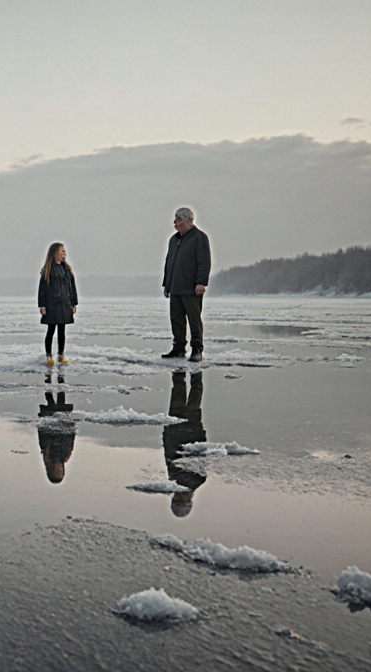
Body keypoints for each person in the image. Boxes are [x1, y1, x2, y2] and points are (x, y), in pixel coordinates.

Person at [161, 207, 211, 362]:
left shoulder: (199, 237)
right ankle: (178, 349)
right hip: (175, 288)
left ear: (188, 221)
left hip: (191, 289)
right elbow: (169, 262)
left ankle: (197, 350)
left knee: (194, 320)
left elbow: (204, 262)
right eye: (175, 220)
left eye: (178, 220)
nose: (175, 223)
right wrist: (167, 284)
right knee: (176, 320)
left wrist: (201, 282)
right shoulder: (173, 240)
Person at [162, 370, 207, 517]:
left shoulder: (174, 480)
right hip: (191, 429)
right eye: (181, 501)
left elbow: (168, 454)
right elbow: (200, 452)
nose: (179, 497)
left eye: (177, 501)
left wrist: (167, 434)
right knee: (194, 391)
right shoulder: (198, 479)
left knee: (179, 390)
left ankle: (181, 367)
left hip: (176, 429)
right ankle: (194, 369)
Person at [37, 242, 78, 366]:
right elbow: (42, 289)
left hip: (64, 305)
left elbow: (72, 288)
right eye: (62, 251)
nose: (64, 253)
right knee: (51, 330)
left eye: (64, 251)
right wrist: (42, 305)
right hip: (52, 305)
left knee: (62, 330)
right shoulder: (48, 271)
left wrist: (73, 303)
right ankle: (49, 355)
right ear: (55, 254)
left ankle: (61, 355)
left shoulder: (67, 270)